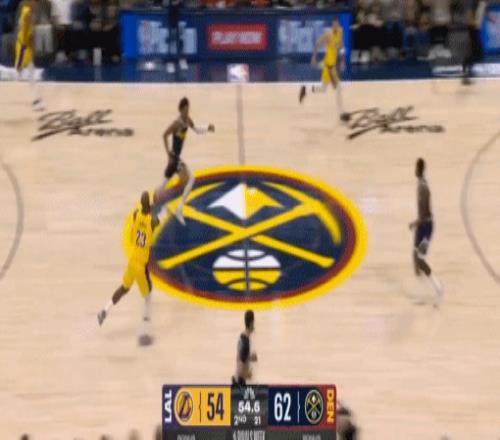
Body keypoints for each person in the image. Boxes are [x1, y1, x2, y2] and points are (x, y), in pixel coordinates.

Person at [97, 191, 159, 346]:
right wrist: (157, 202)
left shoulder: (136, 214)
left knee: (124, 288)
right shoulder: (153, 221)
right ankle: (144, 333)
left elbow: (146, 209)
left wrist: (150, 204)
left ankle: (104, 310)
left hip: (132, 261)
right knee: (148, 297)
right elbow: (155, 216)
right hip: (141, 266)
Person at [153, 97, 215, 225]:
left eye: (188, 109)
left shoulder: (188, 120)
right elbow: (164, 135)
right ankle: (178, 209)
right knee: (190, 179)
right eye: (185, 110)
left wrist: (207, 128)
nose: (187, 112)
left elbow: (196, 129)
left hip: (175, 159)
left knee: (164, 184)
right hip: (175, 158)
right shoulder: (176, 123)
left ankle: (153, 206)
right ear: (180, 110)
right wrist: (168, 153)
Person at [299, 18, 349, 122]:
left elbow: (341, 48)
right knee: (338, 88)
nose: (335, 26)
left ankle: (306, 89)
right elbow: (317, 43)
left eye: (337, 25)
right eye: (334, 25)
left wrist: (343, 61)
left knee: (323, 89)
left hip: (332, 65)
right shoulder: (328, 35)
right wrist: (314, 57)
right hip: (329, 66)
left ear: (338, 25)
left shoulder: (340, 33)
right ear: (332, 25)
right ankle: (341, 113)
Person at [409, 158, 443, 307]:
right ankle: (422, 293)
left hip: (426, 228)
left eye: (415, 168)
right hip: (422, 227)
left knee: (420, 260)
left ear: (419, 169)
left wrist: (415, 223)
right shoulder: (420, 185)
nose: (414, 170)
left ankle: (438, 288)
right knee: (415, 258)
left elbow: (424, 213)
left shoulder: (423, 188)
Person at [15, 0, 44, 111]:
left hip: (24, 46)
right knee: (19, 73)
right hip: (23, 46)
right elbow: (25, 32)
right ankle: (36, 100)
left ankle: (36, 99)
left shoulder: (28, 12)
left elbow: (27, 31)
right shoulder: (26, 12)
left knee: (29, 73)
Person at [462, 0, 486, 85]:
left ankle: (467, 69)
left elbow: (482, 10)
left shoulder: (482, 3)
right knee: (478, 54)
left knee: (476, 52)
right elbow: (469, 11)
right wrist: (472, 23)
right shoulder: (475, 2)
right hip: (473, 28)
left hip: (475, 28)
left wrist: (489, 17)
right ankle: (466, 65)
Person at [232, 310, 257, 386]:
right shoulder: (245, 341)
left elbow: (242, 357)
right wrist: (247, 375)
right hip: (240, 382)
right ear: (251, 323)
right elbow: (242, 360)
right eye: (254, 322)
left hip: (238, 379)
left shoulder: (243, 336)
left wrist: (250, 357)